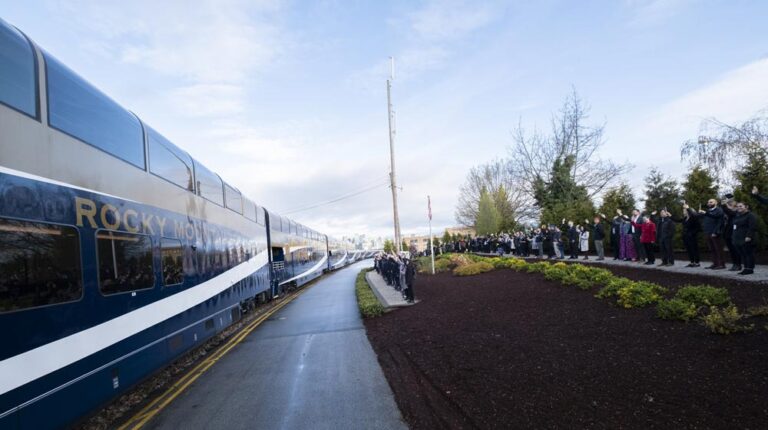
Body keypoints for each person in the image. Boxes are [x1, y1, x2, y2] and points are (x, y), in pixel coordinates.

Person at [697, 198, 726, 270]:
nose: (709, 203)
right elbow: (700, 218)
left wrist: (715, 232)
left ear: (716, 203)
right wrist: (699, 213)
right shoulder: (708, 211)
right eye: (708, 202)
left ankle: (721, 264)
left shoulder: (719, 210)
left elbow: (720, 222)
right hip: (708, 232)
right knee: (712, 249)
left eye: (711, 202)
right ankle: (715, 263)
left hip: (715, 233)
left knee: (718, 249)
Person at [731, 201, 758, 275]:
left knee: (748, 254)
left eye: (741, 206)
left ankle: (749, 269)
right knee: (743, 254)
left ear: (746, 207)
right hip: (738, 239)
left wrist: (749, 236)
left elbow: (752, 227)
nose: (739, 208)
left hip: (746, 238)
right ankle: (746, 268)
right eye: (737, 206)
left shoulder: (750, 215)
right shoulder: (738, 216)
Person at [721, 198, 743, 272]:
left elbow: (730, 212)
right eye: (729, 205)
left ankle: (738, 265)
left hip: (734, 235)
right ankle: (734, 264)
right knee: (731, 250)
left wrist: (724, 205)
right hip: (728, 234)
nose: (730, 207)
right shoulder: (730, 213)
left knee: (735, 250)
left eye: (731, 205)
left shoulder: (736, 213)